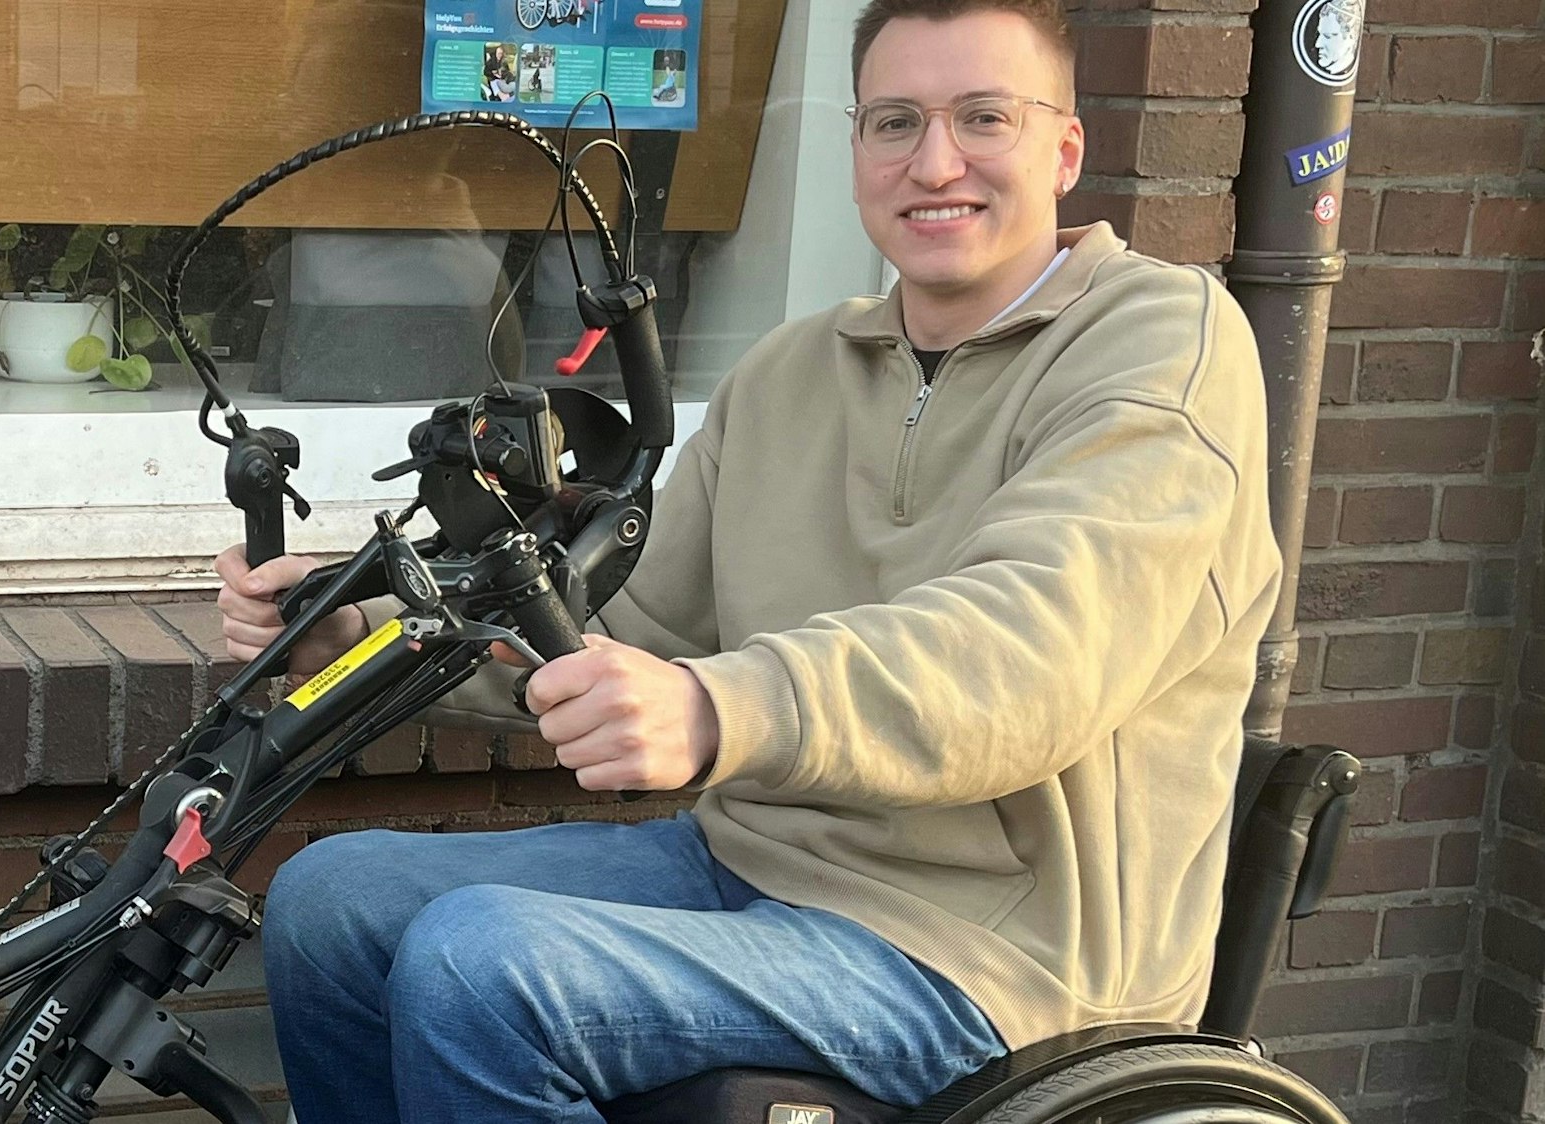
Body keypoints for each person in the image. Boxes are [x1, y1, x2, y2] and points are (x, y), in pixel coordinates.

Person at [215, 1, 1281, 1121]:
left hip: (1001, 955)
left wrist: (721, 708)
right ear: (856, 149)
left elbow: (1034, 648)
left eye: (983, 117)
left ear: (1064, 148)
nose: (934, 161)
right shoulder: (789, 373)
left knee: (484, 965)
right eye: (893, 122)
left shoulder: (1162, 343)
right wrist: (372, 632)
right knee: (332, 901)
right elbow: (628, 630)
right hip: (753, 863)